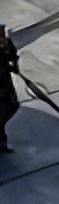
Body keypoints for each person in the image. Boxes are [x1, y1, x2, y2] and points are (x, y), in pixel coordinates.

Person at [0, 25, 19, 153]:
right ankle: (2, 143)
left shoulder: (6, 43)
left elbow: (13, 56)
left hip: (6, 85)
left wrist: (14, 65)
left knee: (13, 106)